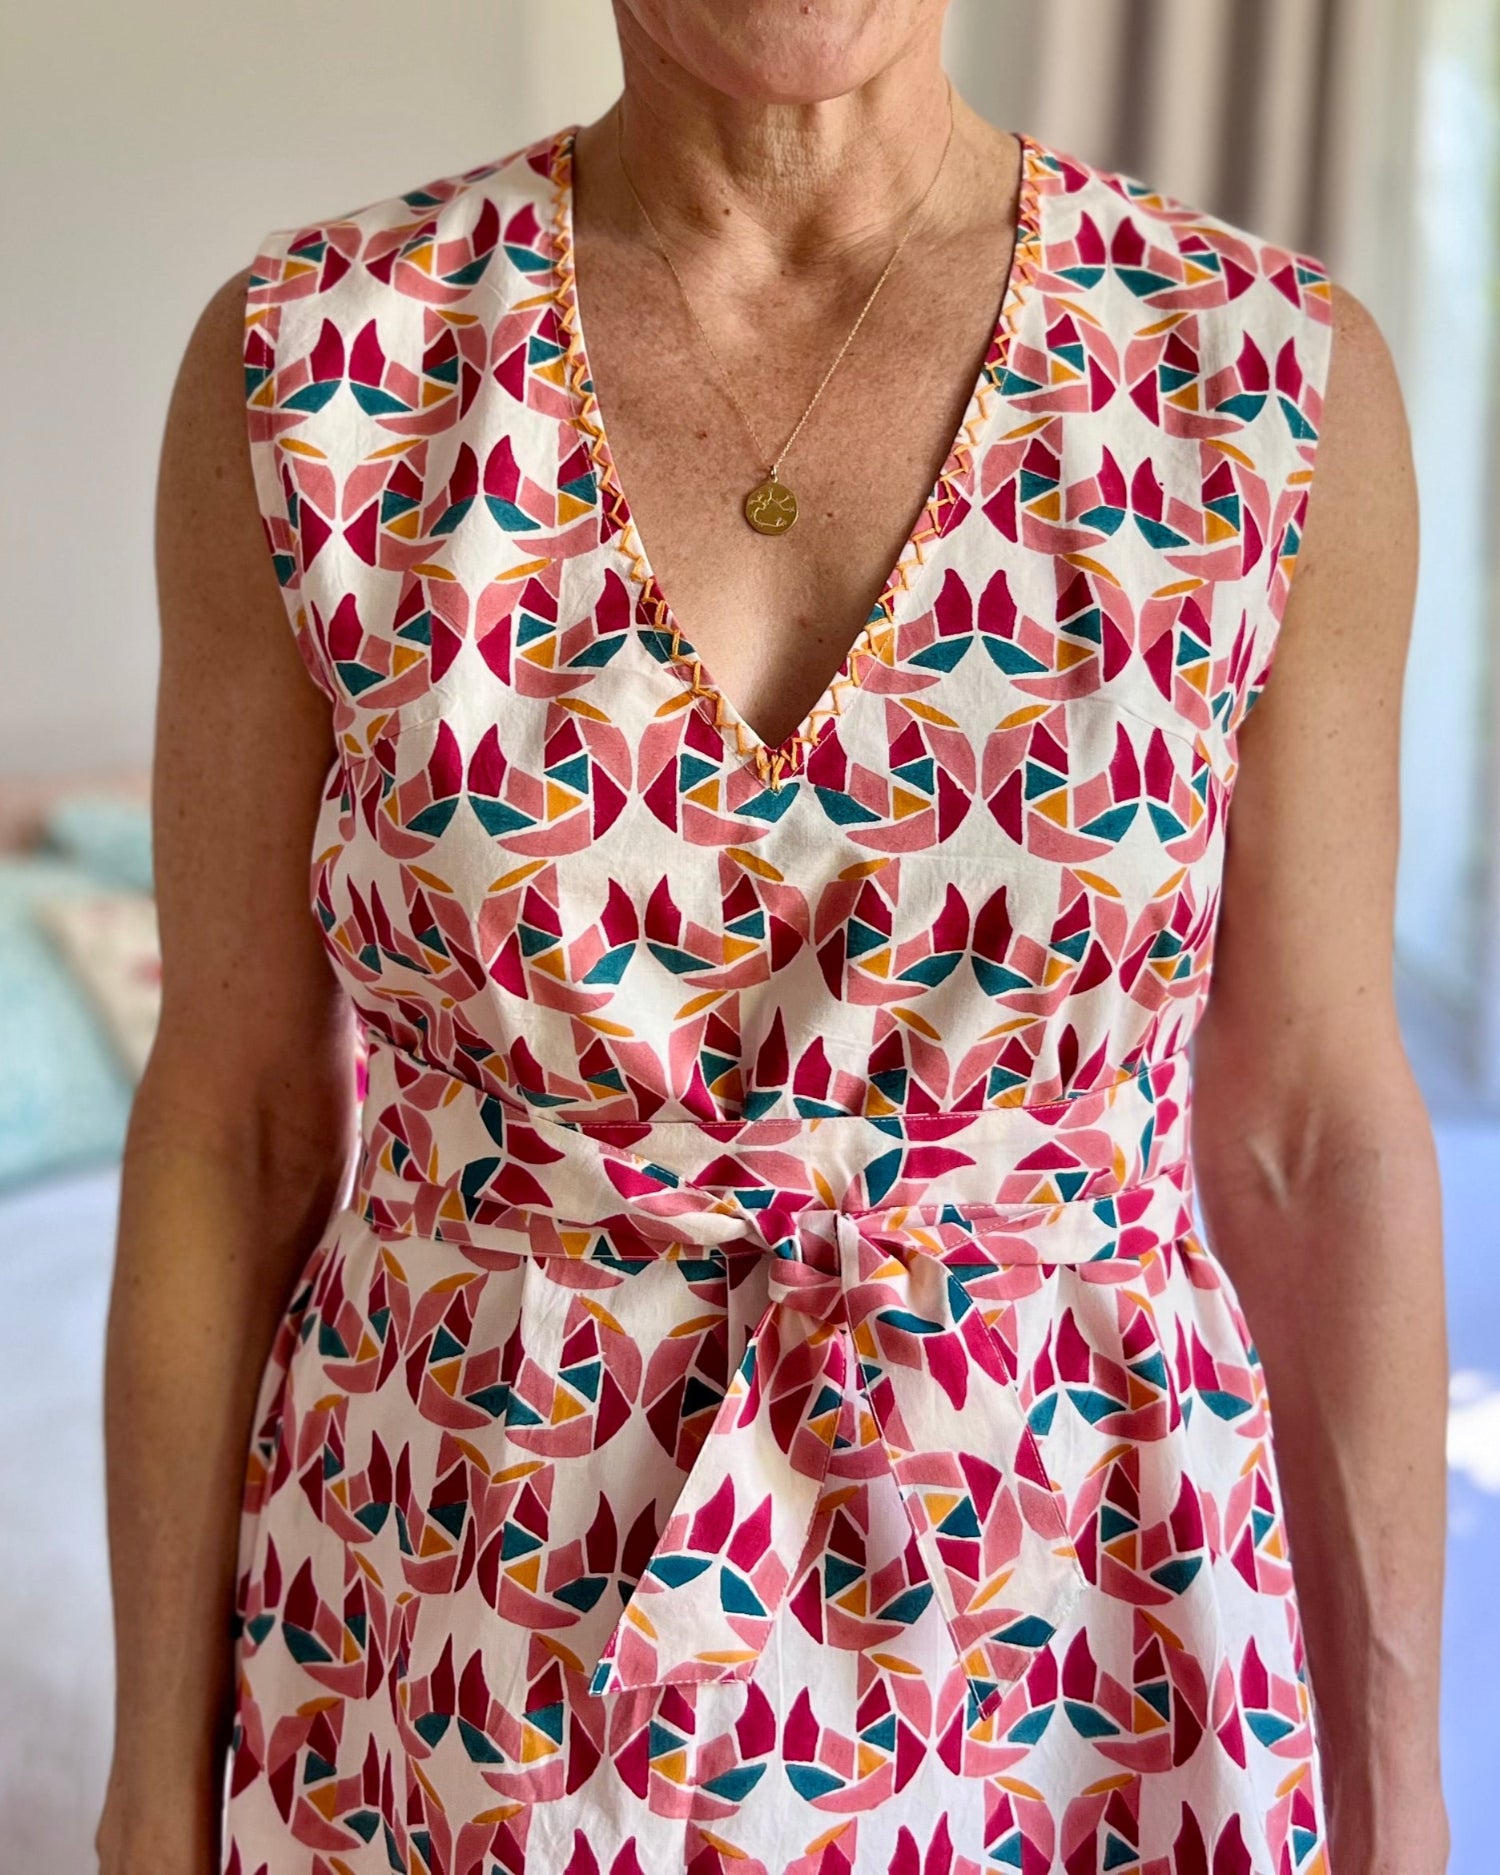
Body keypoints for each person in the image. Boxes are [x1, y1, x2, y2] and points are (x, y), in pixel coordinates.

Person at [96, 3, 1449, 1872]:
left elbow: (1312, 1135)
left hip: (1083, 1650)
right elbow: (231, 1124)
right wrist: (150, 1781)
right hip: (451, 1634)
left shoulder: (1260, 380)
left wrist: (1399, 1786)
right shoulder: (320, 368)